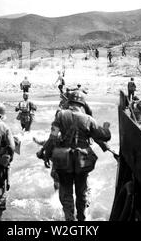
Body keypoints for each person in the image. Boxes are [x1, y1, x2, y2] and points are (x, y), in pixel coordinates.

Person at [43, 91, 111, 221]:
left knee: (66, 191)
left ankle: (69, 218)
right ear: (82, 104)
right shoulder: (89, 119)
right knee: (82, 190)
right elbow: (105, 136)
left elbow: (52, 138)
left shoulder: (60, 115)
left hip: (63, 160)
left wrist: (46, 154)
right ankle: (82, 218)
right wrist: (106, 127)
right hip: (82, 160)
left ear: (69, 102)